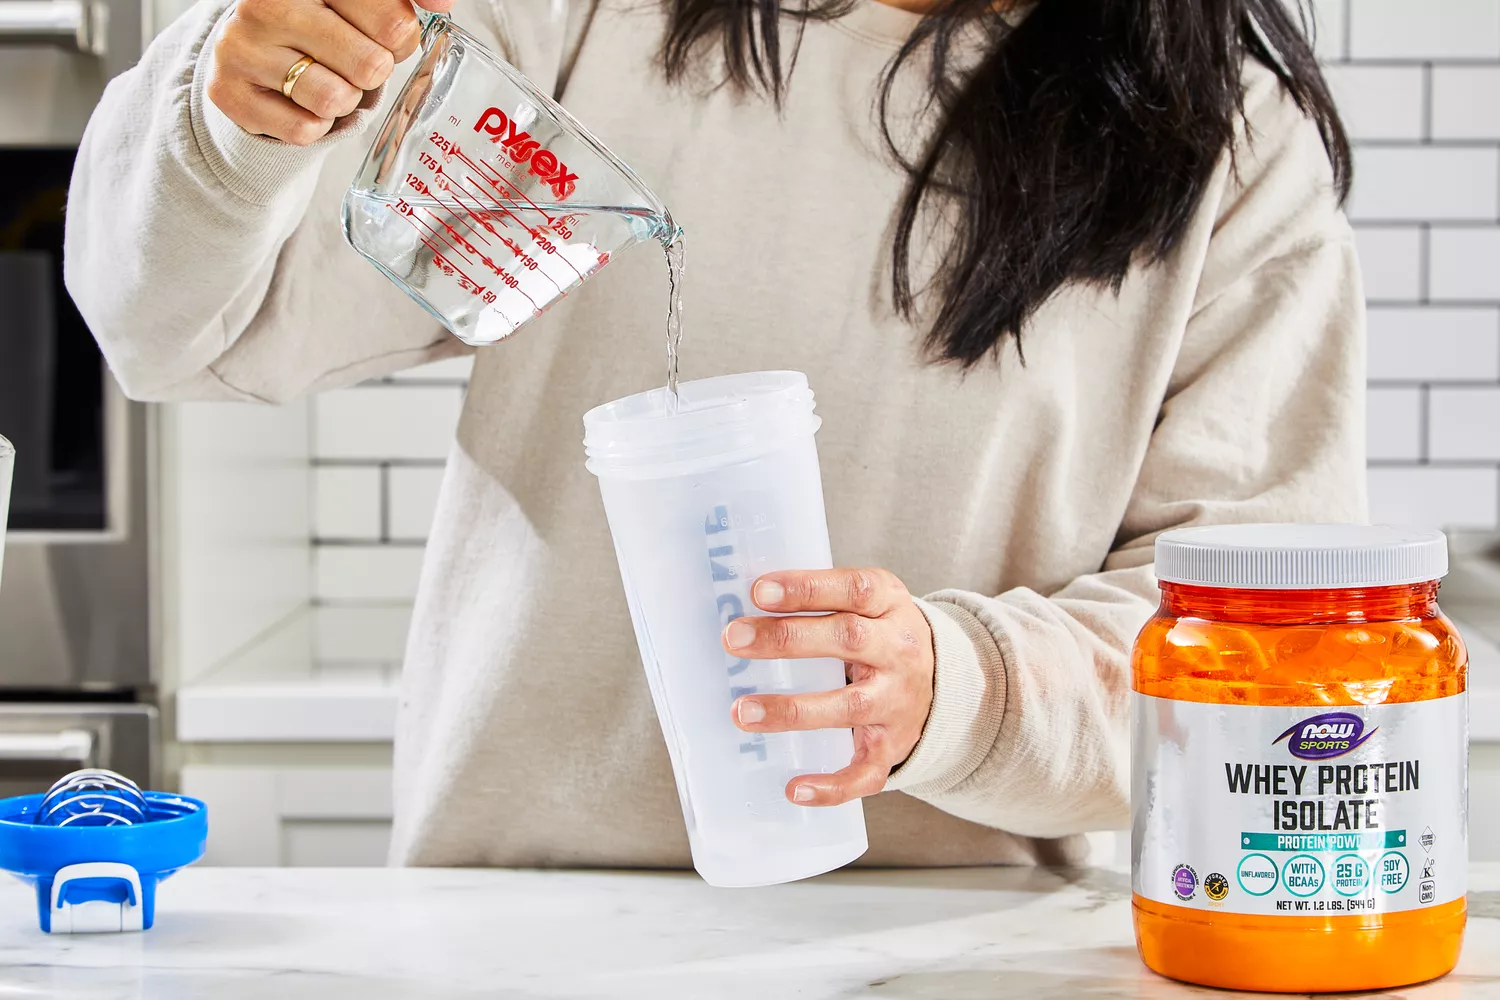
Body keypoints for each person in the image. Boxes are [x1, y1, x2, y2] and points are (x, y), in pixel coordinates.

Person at [65, 0, 1363, 868]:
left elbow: (1256, 654)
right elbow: (177, 330)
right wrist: (242, 116)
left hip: (949, 946)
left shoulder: (1228, 159)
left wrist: (947, 692)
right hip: (524, 931)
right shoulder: (589, 22)